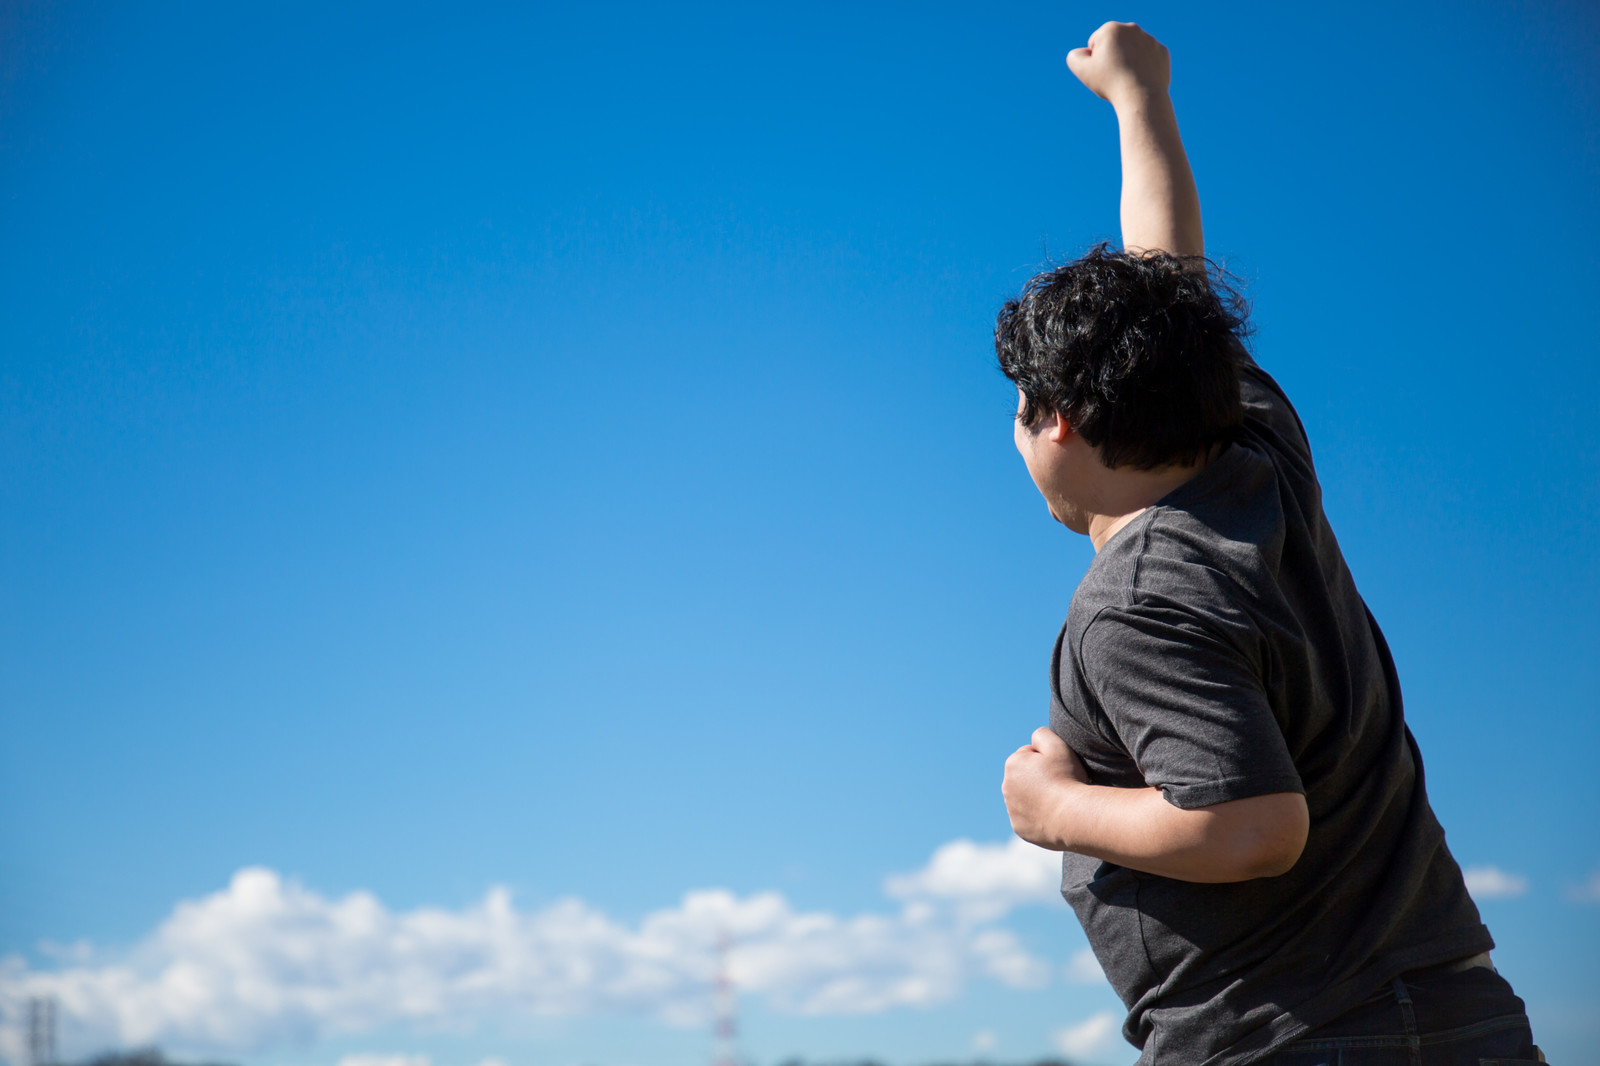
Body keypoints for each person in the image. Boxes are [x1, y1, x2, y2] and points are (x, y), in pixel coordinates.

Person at [995, 21, 1544, 1066]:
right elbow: (1174, 286)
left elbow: (1255, 826)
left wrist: (1053, 807)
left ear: (1056, 417)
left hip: (1299, 1036)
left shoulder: (1136, 598)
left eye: (1018, 407)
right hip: (1451, 1010)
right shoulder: (1252, 453)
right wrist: (1138, 100)